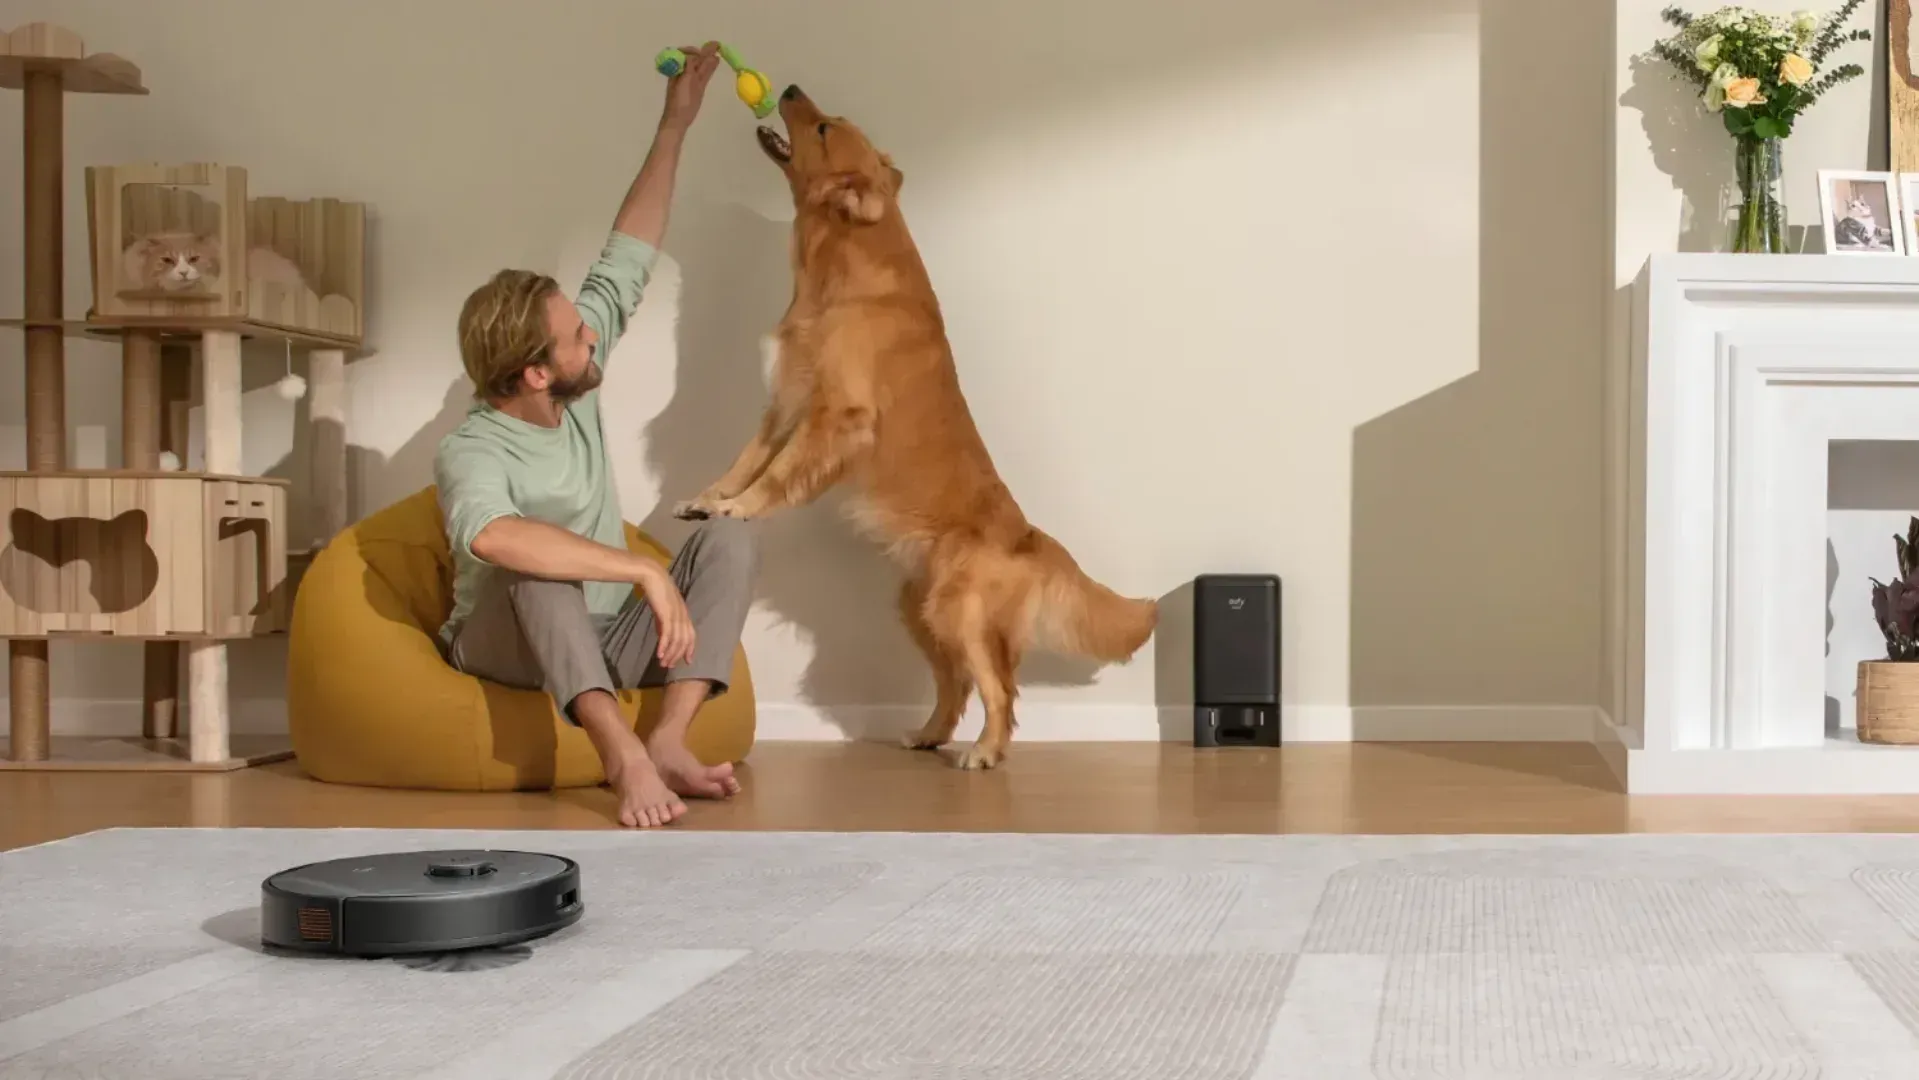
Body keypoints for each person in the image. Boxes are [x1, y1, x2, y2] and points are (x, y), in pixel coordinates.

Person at [432, 42, 755, 829]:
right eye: (578, 336)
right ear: (537, 373)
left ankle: (671, 739)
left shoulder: (569, 385)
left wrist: (675, 123)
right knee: (537, 569)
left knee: (730, 537)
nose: (593, 335)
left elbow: (628, 252)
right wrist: (643, 572)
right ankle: (623, 755)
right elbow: (499, 539)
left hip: (610, 632)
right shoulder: (471, 450)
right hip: (507, 640)